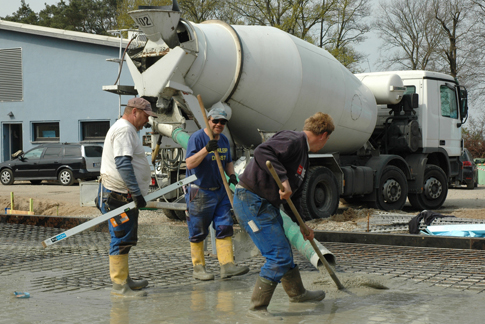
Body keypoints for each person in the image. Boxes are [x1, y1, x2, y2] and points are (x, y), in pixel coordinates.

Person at [233, 112, 335, 314]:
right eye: (327, 139)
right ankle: (257, 308)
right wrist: (283, 178)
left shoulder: (304, 155)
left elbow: (292, 197)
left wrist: (302, 225)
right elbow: (263, 152)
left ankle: (297, 294)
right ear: (323, 135)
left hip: (266, 206)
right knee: (277, 255)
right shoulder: (294, 139)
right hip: (251, 203)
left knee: (285, 251)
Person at [97, 97, 157, 297]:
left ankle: (125, 279)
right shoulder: (124, 130)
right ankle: (119, 284)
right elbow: (123, 163)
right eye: (146, 116)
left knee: (125, 237)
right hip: (118, 196)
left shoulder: (127, 129)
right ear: (135, 112)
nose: (147, 121)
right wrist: (136, 192)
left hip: (122, 195)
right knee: (121, 238)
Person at [185, 106, 249, 281]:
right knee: (198, 230)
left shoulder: (224, 140)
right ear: (208, 120)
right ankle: (198, 268)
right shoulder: (197, 138)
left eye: (223, 122)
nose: (219, 124)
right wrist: (206, 149)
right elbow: (189, 164)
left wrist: (233, 177)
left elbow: (227, 161)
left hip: (220, 191)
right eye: (215, 121)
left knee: (224, 226)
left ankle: (227, 266)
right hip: (199, 191)